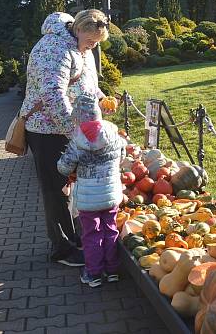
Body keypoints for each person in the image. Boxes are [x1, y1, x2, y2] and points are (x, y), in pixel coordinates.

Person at [20, 9, 110, 266]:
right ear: (78, 29)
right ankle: (62, 248)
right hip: (48, 131)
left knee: (69, 186)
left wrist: (102, 98)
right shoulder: (55, 48)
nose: (93, 46)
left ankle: (73, 236)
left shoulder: (81, 47)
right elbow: (52, 95)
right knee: (56, 189)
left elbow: (87, 81)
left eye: (97, 43)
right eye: (91, 41)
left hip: (71, 129)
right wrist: (75, 132)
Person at [58, 92, 126, 287]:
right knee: (111, 230)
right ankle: (113, 270)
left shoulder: (77, 142)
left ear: (77, 118)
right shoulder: (113, 133)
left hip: (89, 200)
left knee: (92, 234)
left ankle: (94, 273)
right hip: (112, 193)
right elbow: (122, 157)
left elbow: (63, 167)